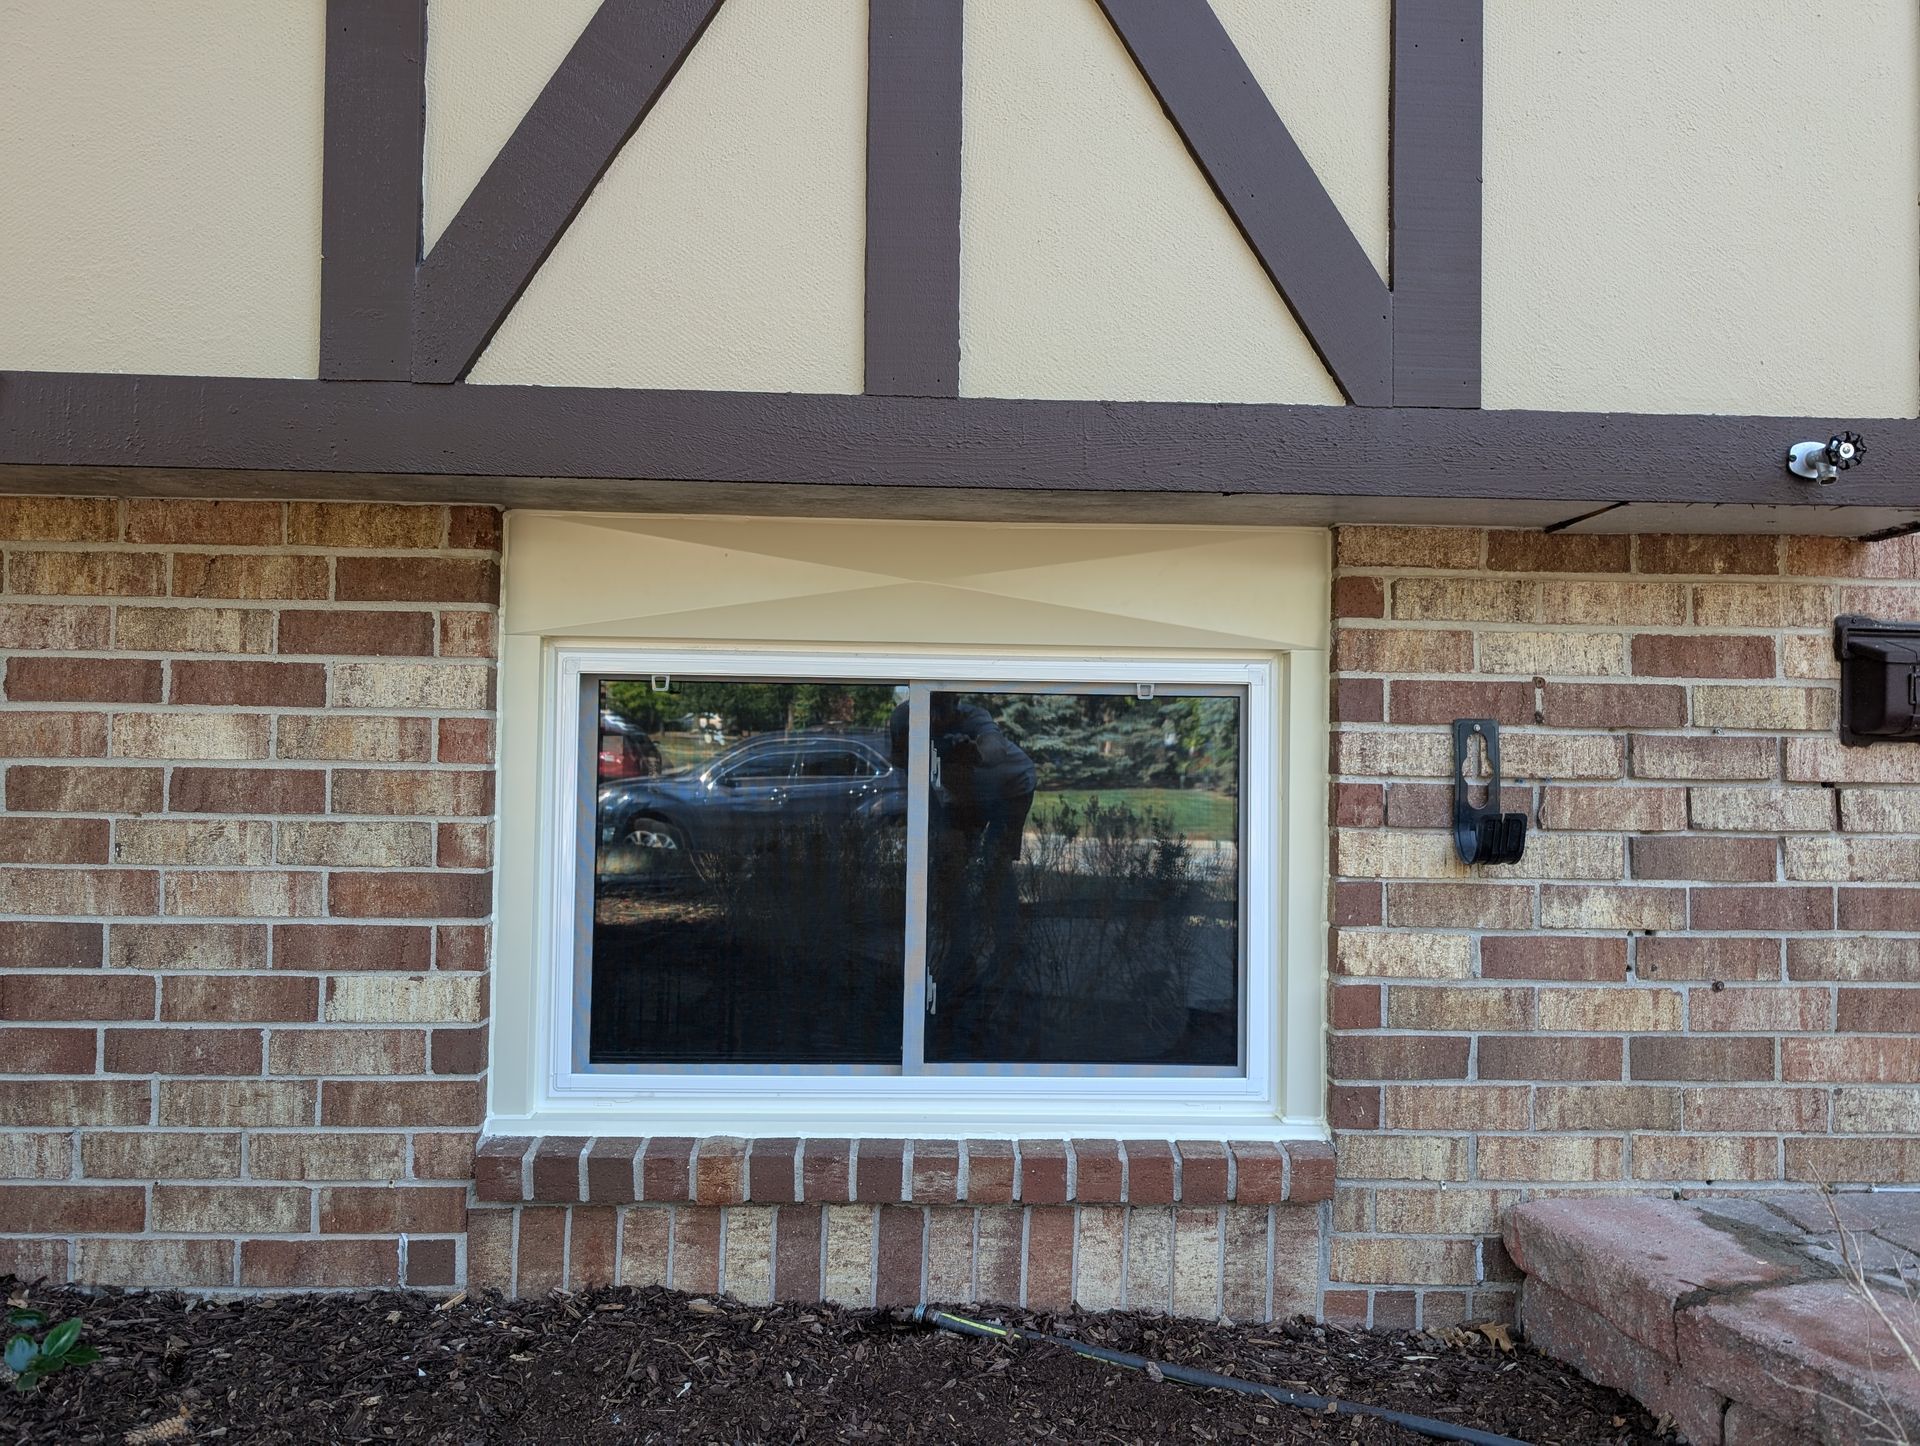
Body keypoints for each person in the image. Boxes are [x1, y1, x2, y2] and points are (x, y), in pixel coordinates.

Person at [889, 693, 1038, 1034]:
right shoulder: (903, 721)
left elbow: (996, 747)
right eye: (941, 710)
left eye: (951, 708)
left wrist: (974, 749)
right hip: (967, 795)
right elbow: (911, 778)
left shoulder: (973, 717)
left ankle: (1009, 948)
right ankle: (961, 952)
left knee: (993, 864)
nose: (947, 716)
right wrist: (938, 828)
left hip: (1010, 788)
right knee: (946, 864)